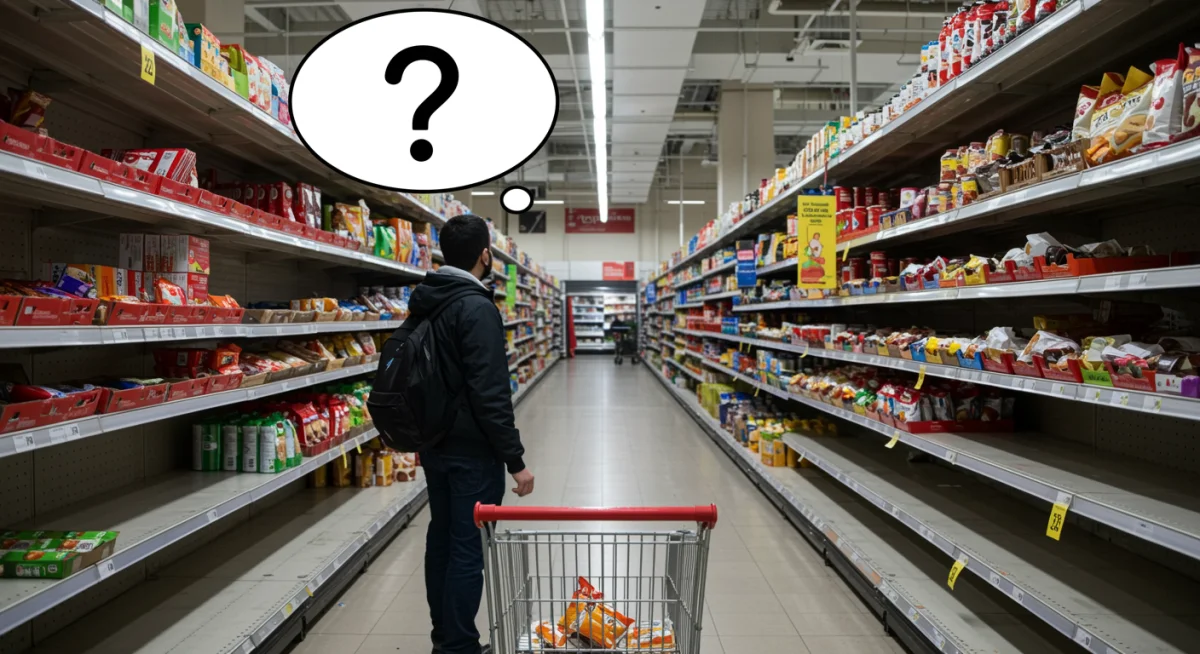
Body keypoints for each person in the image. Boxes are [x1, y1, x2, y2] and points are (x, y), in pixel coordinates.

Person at [404, 214, 535, 654]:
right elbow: (489, 393)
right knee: (467, 548)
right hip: (471, 453)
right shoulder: (476, 307)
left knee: (441, 537)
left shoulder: (427, 299)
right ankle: (458, 645)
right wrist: (514, 460)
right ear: (485, 254)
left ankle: (446, 638)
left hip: (434, 443)